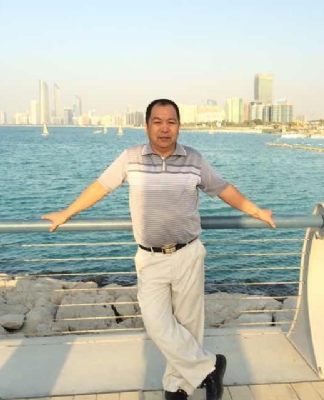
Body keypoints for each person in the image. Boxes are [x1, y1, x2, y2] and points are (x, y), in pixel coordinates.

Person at [42, 99, 276, 400]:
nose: (165, 128)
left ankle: (176, 387)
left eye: (171, 121)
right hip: (150, 257)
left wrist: (257, 211)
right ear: (146, 126)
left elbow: (222, 188)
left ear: (179, 126)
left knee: (188, 326)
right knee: (157, 324)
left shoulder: (194, 159)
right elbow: (101, 186)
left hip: (188, 253)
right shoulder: (131, 158)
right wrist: (66, 213)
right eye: (158, 121)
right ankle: (210, 366)